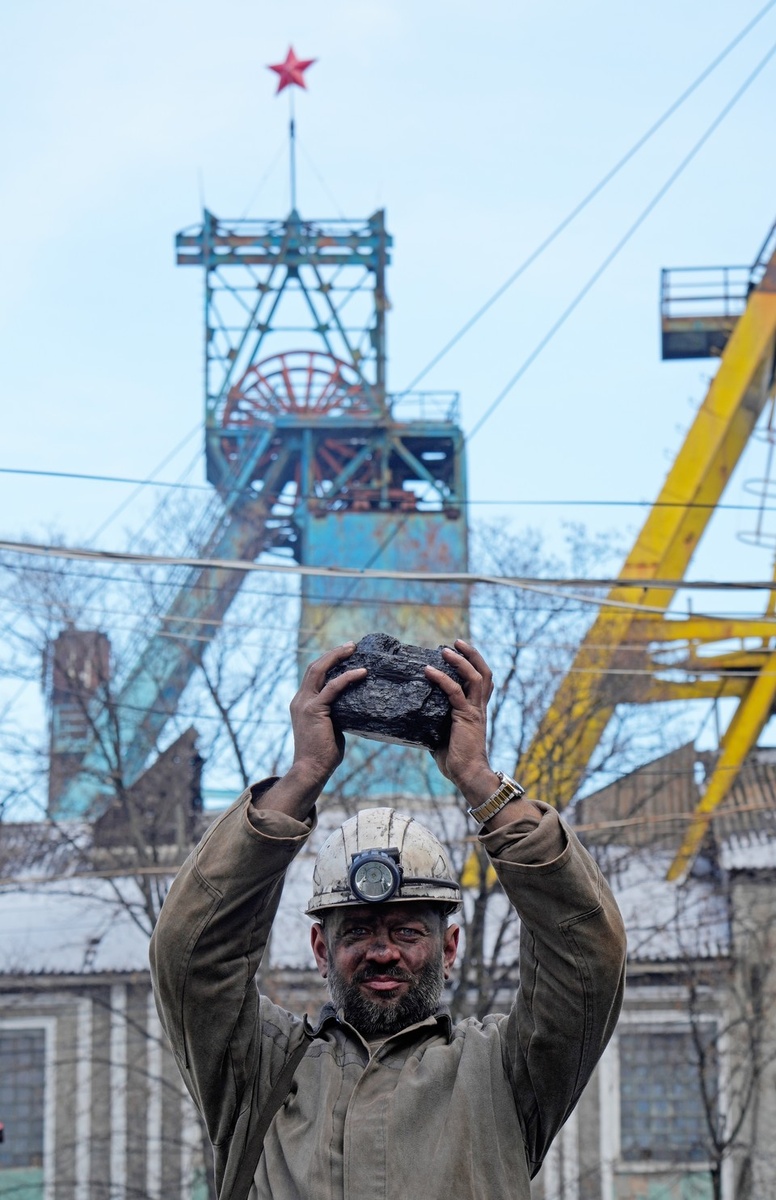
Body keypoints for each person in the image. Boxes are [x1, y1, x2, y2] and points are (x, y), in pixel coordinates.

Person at [150, 639, 626, 1200]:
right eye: (356, 931)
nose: (382, 952)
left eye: (407, 932)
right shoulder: (261, 1073)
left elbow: (587, 957)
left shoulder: (503, 1073)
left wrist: (480, 781)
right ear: (320, 949)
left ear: (449, 949)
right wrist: (303, 776)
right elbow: (190, 956)